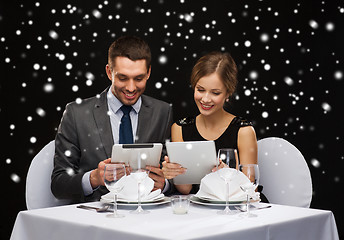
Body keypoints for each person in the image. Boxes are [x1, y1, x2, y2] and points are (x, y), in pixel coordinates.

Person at [51, 35, 173, 202]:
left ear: (149, 73)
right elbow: (58, 184)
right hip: (97, 218)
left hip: (146, 216)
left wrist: (164, 184)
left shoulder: (163, 112)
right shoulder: (76, 113)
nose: (131, 88)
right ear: (109, 72)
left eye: (138, 78)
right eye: (123, 78)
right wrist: (94, 178)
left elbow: (174, 174)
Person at [162, 51, 258, 195]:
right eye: (200, 90)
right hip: (198, 211)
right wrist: (173, 172)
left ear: (228, 93)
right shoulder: (180, 128)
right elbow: (185, 189)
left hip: (236, 211)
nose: (205, 99)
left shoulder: (243, 131)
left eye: (215, 93)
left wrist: (230, 176)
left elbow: (251, 190)